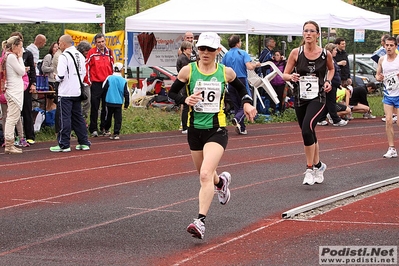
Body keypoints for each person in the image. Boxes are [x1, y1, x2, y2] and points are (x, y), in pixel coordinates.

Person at [168, 32, 257, 239]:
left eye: (210, 49)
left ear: (218, 51)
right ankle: (221, 184)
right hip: (194, 130)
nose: (205, 53)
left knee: (205, 174)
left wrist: (246, 103)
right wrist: (185, 99)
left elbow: (242, 90)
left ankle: (199, 221)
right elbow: (172, 94)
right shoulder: (187, 71)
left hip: (217, 130)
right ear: (197, 50)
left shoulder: (225, 72)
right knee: (207, 175)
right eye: (202, 49)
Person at [283, 21, 334, 185]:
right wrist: (291, 77)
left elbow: (331, 69)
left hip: (318, 97)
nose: (308, 34)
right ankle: (319, 166)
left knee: (307, 129)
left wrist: (328, 81)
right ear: (303, 34)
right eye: (306, 31)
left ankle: (310, 168)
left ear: (318, 34)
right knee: (309, 132)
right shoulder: (296, 53)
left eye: (312, 31)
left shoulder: (325, 54)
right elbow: (284, 74)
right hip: (300, 98)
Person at [49, 34, 91, 153]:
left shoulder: (64, 56)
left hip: (66, 92)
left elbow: (61, 75)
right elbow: (84, 73)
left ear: (63, 43)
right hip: (77, 91)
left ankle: (64, 144)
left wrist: (56, 77)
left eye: (60, 43)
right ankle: (84, 142)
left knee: (64, 117)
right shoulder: (81, 56)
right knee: (78, 117)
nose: (59, 46)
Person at [222, 34, 260, 135]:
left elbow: (222, 68)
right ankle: (237, 118)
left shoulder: (226, 55)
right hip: (241, 80)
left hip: (230, 81)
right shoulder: (242, 53)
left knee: (236, 104)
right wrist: (256, 64)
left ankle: (242, 127)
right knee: (247, 101)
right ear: (238, 43)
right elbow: (249, 66)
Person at [10, 32, 36, 145]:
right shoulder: (9, 55)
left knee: (27, 110)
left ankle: (30, 135)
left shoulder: (27, 54)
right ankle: (17, 136)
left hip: (25, 85)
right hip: (14, 87)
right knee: (15, 113)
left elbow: (32, 70)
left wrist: (33, 83)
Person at [85, 33, 114, 137]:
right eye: (99, 42)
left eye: (102, 41)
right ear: (95, 43)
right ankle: (93, 129)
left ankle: (104, 127)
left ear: (105, 41)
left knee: (106, 106)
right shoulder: (92, 53)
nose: (101, 44)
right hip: (96, 83)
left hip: (107, 83)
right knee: (95, 107)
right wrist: (89, 81)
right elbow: (86, 67)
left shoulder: (109, 52)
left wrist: (111, 80)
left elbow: (112, 67)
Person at [375, 36, 399, 158]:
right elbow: (377, 75)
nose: (389, 47)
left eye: (391, 45)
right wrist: (378, 77)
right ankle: (392, 148)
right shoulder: (382, 60)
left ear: (395, 46)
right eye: (387, 45)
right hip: (388, 93)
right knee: (388, 120)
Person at [2, 36, 26, 154]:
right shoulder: (11, 57)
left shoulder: (8, 56)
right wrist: (20, 58)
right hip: (13, 91)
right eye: (20, 46)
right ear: (15, 46)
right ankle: (9, 144)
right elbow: (21, 71)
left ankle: (10, 144)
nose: (22, 49)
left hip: (13, 90)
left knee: (13, 117)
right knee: (12, 118)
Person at [317, 43, 347, 126]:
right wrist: (327, 82)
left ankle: (320, 118)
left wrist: (338, 84)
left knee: (328, 102)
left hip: (334, 84)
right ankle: (336, 120)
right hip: (329, 84)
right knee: (331, 102)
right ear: (330, 51)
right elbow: (328, 73)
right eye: (335, 50)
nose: (336, 52)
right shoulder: (327, 61)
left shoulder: (332, 60)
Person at [102, 62, 129, 140]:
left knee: (108, 116)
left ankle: (106, 129)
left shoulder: (109, 78)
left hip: (109, 101)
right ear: (121, 70)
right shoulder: (123, 80)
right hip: (118, 102)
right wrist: (126, 104)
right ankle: (116, 133)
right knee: (118, 118)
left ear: (113, 69)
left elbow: (104, 88)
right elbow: (126, 93)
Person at [178, 32, 198, 134]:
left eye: (191, 37)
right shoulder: (183, 58)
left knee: (189, 103)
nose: (190, 39)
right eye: (188, 38)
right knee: (186, 104)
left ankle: (187, 124)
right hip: (185, 83)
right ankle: (184, 125)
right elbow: (187, 71)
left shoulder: (190, 55)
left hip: (189, 82)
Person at [76, 41, 92, 120]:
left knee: (88, 101)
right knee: (85, 101)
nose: (88, 53)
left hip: (87, 82)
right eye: (86, 51)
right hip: (81, 82)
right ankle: (81, 118)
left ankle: (83, 118)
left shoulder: (88, 58)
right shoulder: (78, 59)